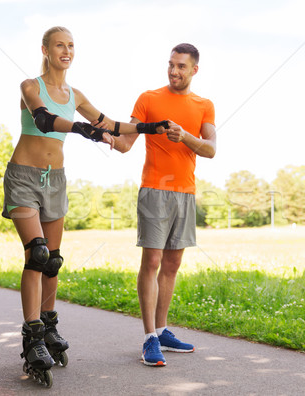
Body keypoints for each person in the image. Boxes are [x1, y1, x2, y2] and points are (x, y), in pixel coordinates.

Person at [2, 26, 169, 382]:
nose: (66, 50)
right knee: (37, 254)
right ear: (45, 50)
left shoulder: (75, 93)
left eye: (71, 45)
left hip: (56, 180)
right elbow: (44, 120)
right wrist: (82, 129)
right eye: (59, 45)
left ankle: (48, 327)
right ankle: (32, 336)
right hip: (23, 176)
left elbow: (112, 124)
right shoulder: (31, 86)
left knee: (53, 263)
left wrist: (153, 127)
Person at [108, 43, 217, 366]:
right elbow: (127, 142)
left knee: (171, 266)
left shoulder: (204, 105)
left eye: (181, 66)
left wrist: (184, 136)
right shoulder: (148, 99)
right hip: (154, 189)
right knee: (152, 261)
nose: (174, 71)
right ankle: (149, 338)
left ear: (194, 70)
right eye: (171, 64)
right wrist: (103, 135)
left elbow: (211, 149)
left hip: (185, 192)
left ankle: (163, 329)